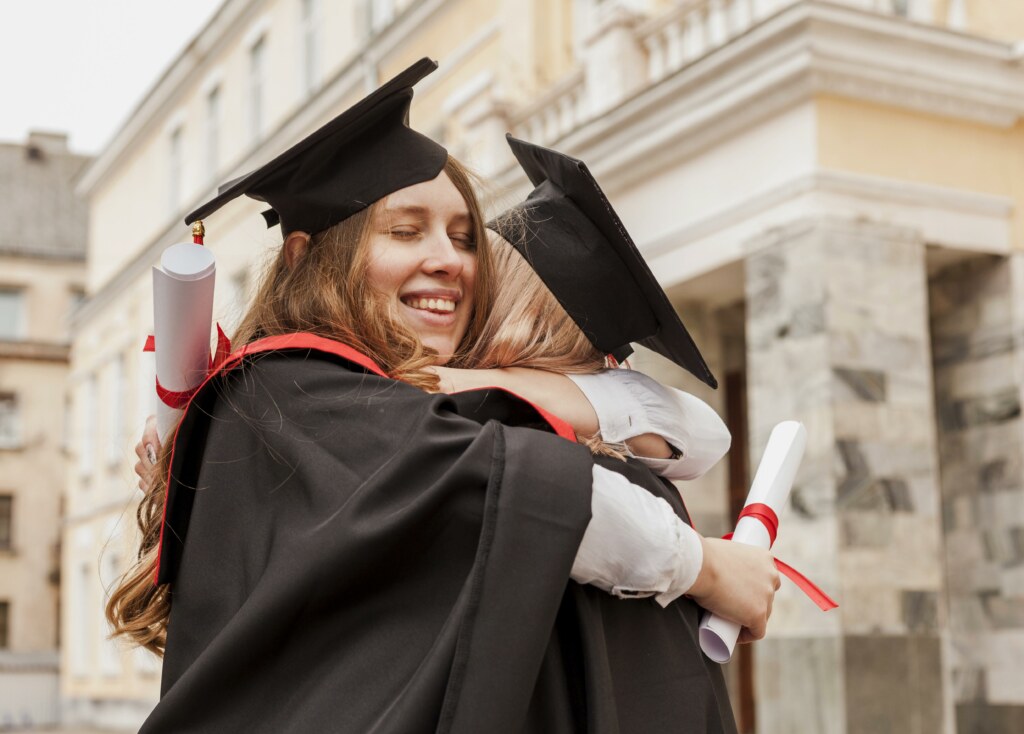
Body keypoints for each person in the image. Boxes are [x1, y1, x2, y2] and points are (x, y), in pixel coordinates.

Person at [111, 59, 778, 733]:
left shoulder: (383, 396)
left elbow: (694, 435)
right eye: (406, 230)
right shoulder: (292, 388)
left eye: (464, 237)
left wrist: (508, 382)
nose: (451, 259)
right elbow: (525, 493)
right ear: (306, 257)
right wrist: (711, 569)